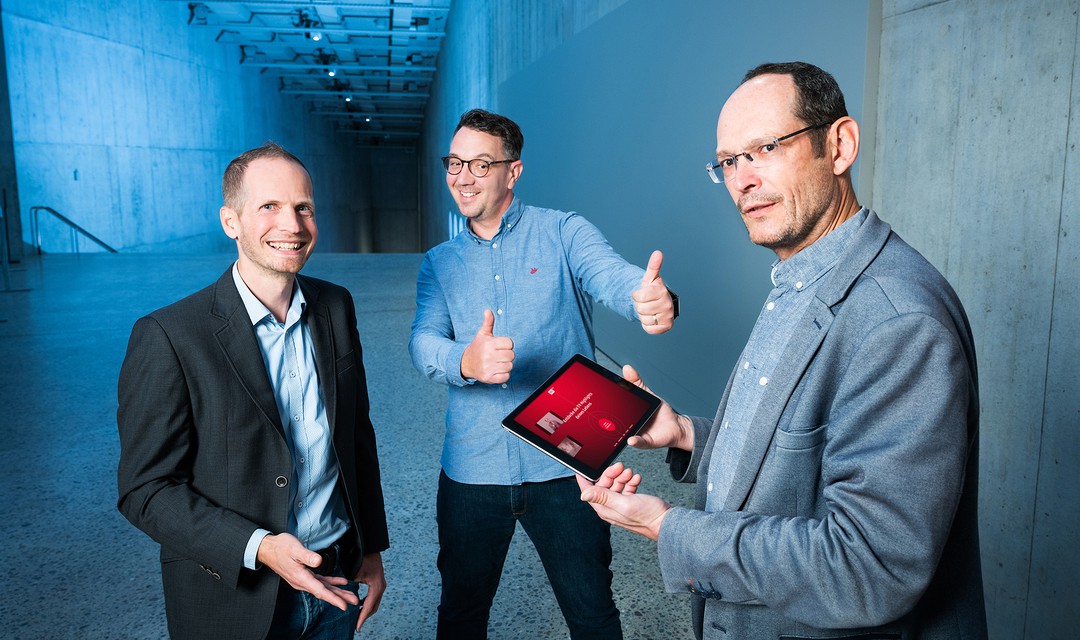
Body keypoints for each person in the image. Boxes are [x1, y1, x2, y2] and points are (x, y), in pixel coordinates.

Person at [578, 62, 987, 638]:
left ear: (839, 145)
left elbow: (869, 569)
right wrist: (686, 433)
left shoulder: (898, 322)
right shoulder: (802, 280)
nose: (741, 180)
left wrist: (667, 527)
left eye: (765, 148)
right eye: (727, 162)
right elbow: (797, 452)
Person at [409, 108, 678, 639]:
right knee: (460, 616)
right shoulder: (439, 263)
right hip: (472, 471)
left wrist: (648, 298)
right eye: (455, 163)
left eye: (481, 164)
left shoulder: (564, 232)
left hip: (566, 469)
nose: (463, 176)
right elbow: (423, 342)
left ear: (514, 171)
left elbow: (612, 276)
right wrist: (464, 362)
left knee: (592, 613)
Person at [117, 142, 389, 640]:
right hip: (235, 597)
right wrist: (261, 546)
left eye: (303, 207)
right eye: (269, 206)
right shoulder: (170, 335)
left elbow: (356, 436)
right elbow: (146, 491)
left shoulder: (336, 307)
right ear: (231, 221)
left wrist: (370, 549)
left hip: (336, 578)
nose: (292, 224)